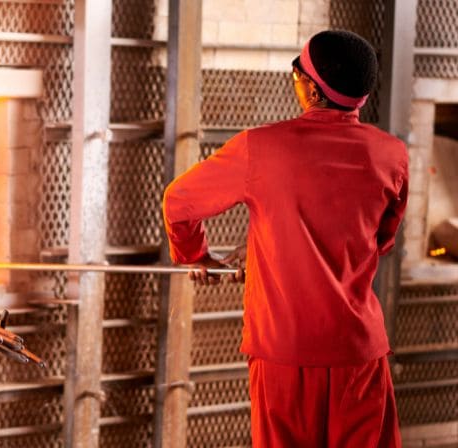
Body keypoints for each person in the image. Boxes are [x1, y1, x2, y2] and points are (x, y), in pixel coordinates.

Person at [162, 30, 407, 447]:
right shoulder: (391, 154)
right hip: (359, 353)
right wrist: (269, 242)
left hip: (284, 355)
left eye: (296, 72)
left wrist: (196, 256)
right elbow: (378, 240)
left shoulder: (260, 147)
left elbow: (179, 202)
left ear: (311, 88)